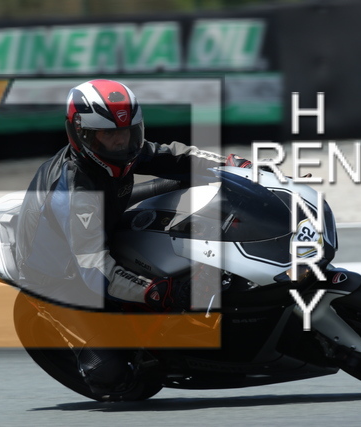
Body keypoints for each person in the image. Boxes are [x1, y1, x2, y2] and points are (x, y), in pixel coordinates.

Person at [14, 79, 251, 398]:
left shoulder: (121, 148)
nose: (120, 143)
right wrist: (155, 291)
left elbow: (175, 156)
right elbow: (94, 269)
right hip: (59, 279)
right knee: (110, 376)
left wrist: (233, 165)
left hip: (103, 221)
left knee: (182, 181)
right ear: (80, 134)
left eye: (127, 133)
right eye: (108, 135)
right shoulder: (75, 192)